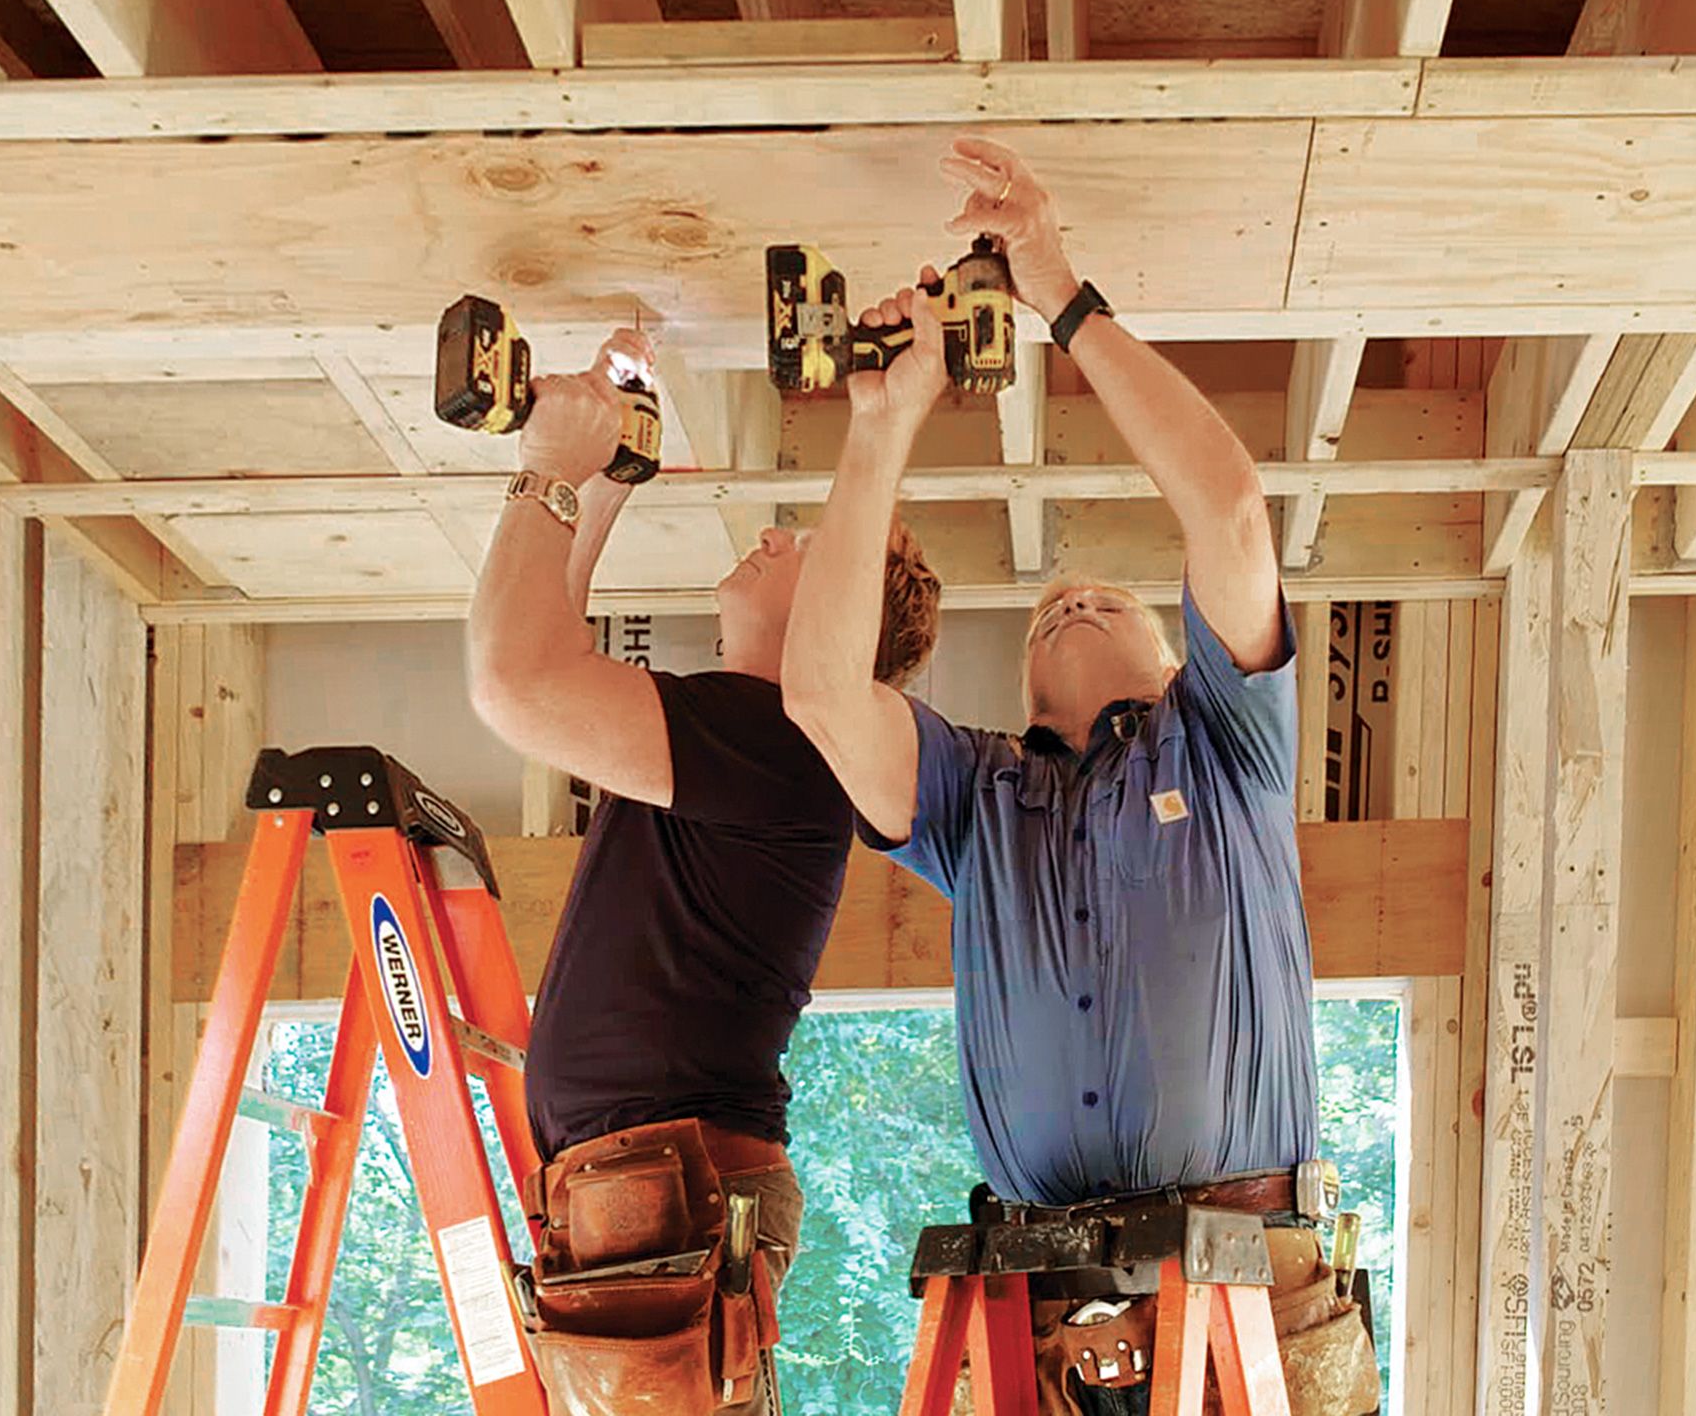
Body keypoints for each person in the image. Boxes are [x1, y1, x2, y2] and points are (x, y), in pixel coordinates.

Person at [778, 141, 1379, 1415]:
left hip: (1225, 1287)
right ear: (1018, 699)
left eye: (1106, 598)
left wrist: (1063, 296)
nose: (1072, 602)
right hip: (1070, 1307)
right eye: (1052, 610)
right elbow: (823, 694)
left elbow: (1225, 510)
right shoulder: (976, 800)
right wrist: (884, 423)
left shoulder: (1226, 747)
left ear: (1183, 662)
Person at [466, 327, 942, 1415]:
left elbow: (522, 678)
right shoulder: (765, 739)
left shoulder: (777, 740)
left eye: (808, 546)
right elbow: (532, 673)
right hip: (666, 1197)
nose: (776, 534)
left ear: (842, 618)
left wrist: (563, 474)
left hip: (662, 1197)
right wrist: (584, 478)